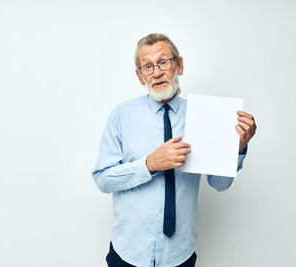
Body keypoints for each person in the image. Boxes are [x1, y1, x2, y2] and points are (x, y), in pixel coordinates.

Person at [92, 33, 257, 267]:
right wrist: (149, 164)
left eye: (163, 62)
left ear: (179, 65)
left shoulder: (205, 117)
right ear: (140, 77)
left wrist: (238, 147)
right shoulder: (121, 116)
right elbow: (103, 179)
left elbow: (219, 184)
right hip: (128, 252)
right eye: (147, 67)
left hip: (179, 255)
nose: (157, 72)